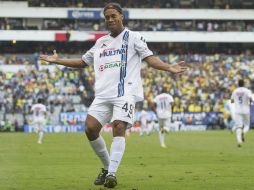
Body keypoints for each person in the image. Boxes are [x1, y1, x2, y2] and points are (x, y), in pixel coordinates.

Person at [40, 2, 187, 188]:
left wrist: (168, 67)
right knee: (90, 128)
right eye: (107, 17)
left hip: (125, 92)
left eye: (113, 16)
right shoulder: (101, 42)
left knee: (119, 126)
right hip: (102, 94)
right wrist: (57, 61)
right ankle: (107, 168)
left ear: (121, 16)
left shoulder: (133, 37)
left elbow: (149, 59)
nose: (110, 19)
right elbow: (83, 62)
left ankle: (112, 174)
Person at [231, 79, 252, 147]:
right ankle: (243, 132)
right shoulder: (247, 90)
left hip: (238, 110)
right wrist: (249, 102)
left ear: (238, 84)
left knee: (239, 126)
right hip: (246, 110)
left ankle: (239, 141)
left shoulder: (235, 91)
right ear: (244, 84)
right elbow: (250, 98)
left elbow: (231, 101)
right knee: (247, 125)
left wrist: (236, 101)